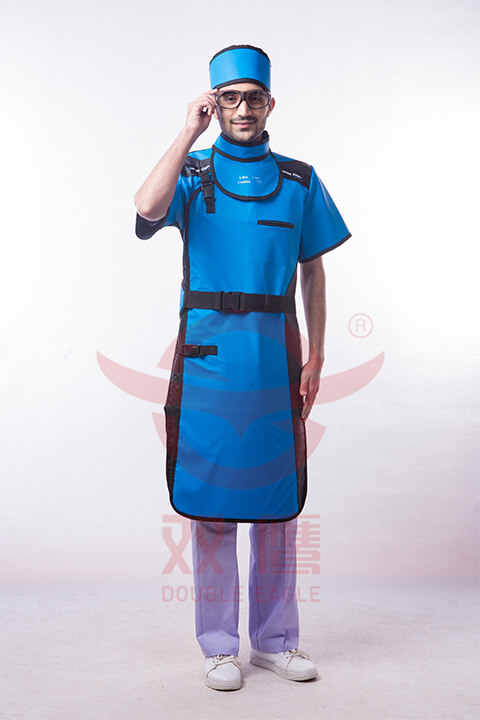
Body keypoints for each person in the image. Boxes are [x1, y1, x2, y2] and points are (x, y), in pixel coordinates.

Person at [134, 45, 351, 691]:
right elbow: (146, 207)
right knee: (213, 505)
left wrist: (318, 352)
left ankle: (277, 643)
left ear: (270, 104)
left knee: (276, 503)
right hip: (208, 361)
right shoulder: (193, 174)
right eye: (229, 97)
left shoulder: (300, 180)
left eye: (253, 97)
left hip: (274, 358)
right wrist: (187, 130)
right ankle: (219, 647)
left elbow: (313, 269)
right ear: (216, 103)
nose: (243, 108)